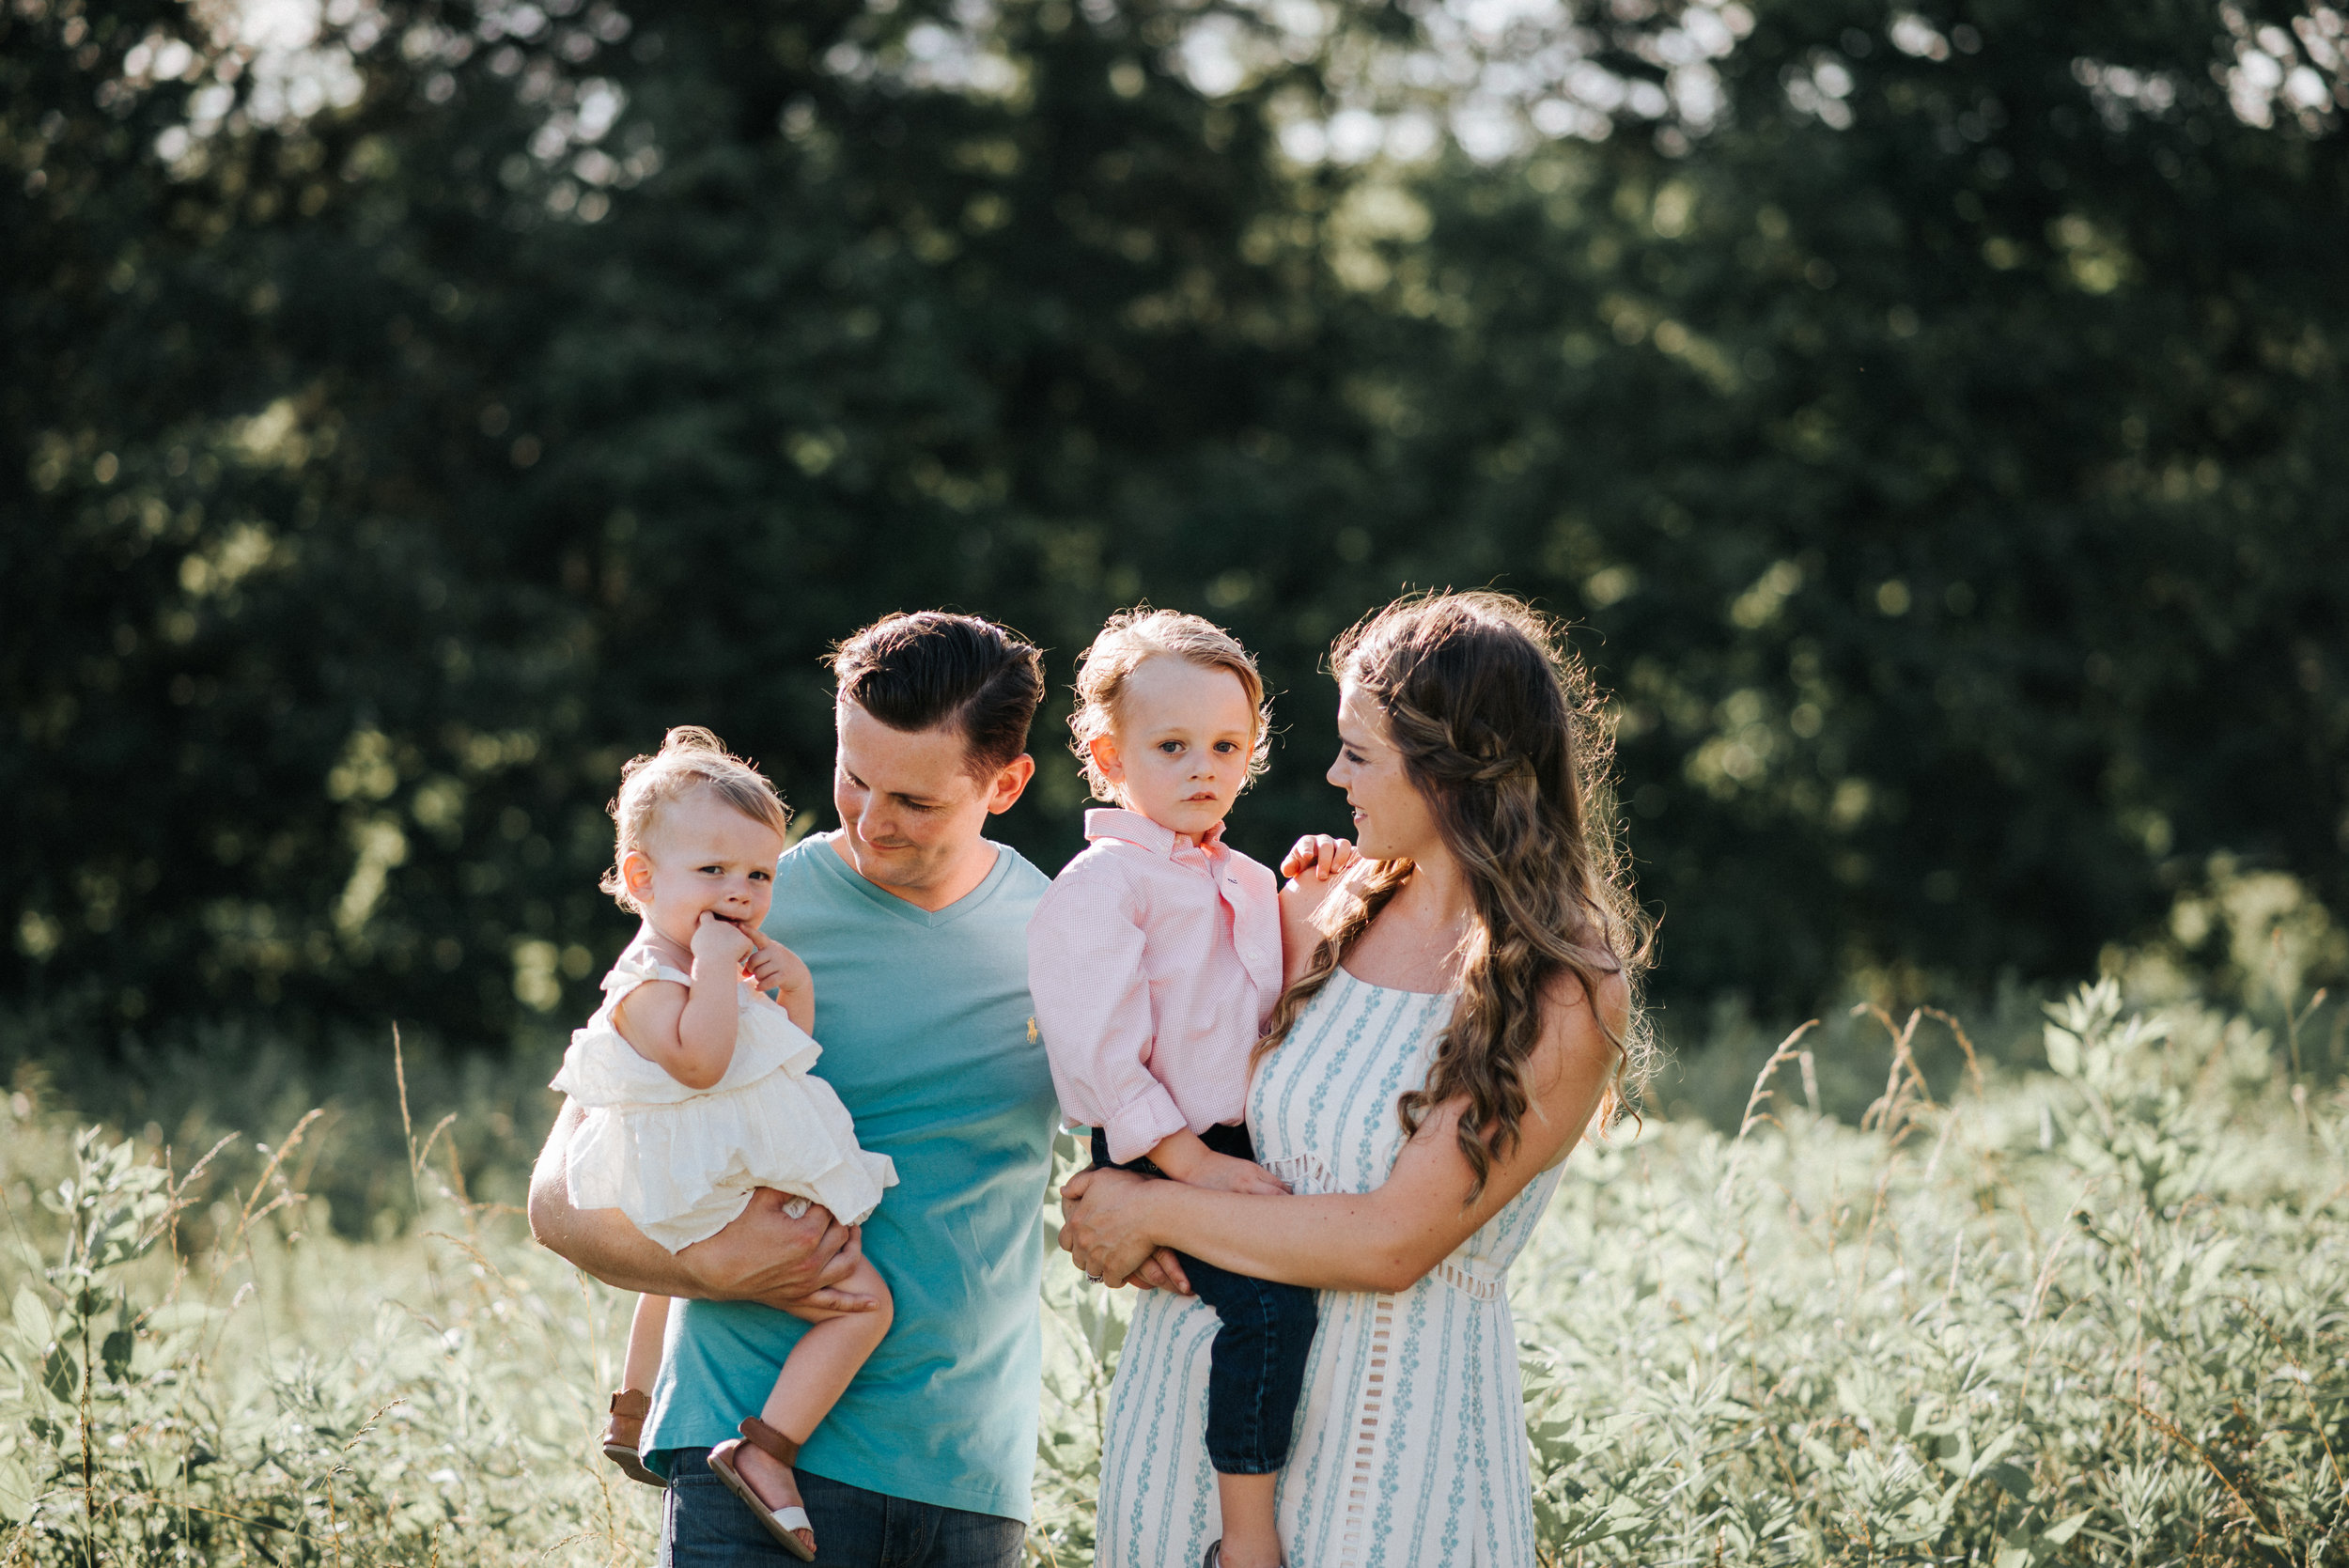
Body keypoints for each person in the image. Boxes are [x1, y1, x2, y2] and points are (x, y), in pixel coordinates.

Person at [1058, 590, 1656, 1568]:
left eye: (1361, 752)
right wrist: (1106, 1199)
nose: (1333, 773)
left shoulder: (1557, 982)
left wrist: (1149, 1209)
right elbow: (1180, 1072)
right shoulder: (1329, 907)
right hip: (1188, 1421)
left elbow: (1388, 1241)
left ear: (1454, 770)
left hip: (1389, 1452)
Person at [530, 613, 1056, 1568]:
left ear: (1006, 783)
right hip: (741, 1450)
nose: (868, 817)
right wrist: (712, 1268)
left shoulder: (1066, 933)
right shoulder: (738, 901)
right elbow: (558, 1198)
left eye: (915, 800)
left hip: (968, 1477)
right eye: (853, 776)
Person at [1026, 611, 1328, 1568]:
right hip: (1153, 1141)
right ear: (1109, 756)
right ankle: (1242, 1539)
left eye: (1226, 745)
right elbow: (1102, 1045)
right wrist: (1182, 1166)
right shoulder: (1101, 883)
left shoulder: (1239, 874)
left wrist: (1314, 896)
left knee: (1296, 1290)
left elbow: (1275, 1002)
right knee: (1268, 1310)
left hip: (1230, 1141)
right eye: (1172, 746)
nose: (1204, 766)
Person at [552, 726, 897, 1560]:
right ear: (642, 877)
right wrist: (714, 967)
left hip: (717, 1177)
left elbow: (784, 1064)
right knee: (865, 1305)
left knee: (685, 1259)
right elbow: (705, 1066)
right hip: (696, 1184)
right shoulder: (643, 982)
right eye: (713, 872)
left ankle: (634, 1406)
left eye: (759, 875)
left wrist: (792, 986)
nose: (739, 893)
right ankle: (766, 1448)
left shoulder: (716, 968)